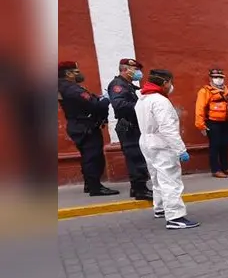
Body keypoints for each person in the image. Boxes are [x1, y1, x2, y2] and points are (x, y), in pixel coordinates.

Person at [136, 69, 199, 229]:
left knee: (156, 176)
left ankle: (161, 208)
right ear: (165, 82)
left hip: (146, 140)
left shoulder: (142, 99)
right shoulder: (160, 101)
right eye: (171, 82)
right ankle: (175, 217)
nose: (172, 86)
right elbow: (167, 128)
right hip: (161, 144)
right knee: (170, 180)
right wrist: (181, 150)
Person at [58, 61, 119, 196]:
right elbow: (94, 105)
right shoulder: (72, 89)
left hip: (79, 126)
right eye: (76, 71)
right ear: (68, 74)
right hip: (85, 127)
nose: (79, 73)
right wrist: (106, 99)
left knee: (87, 157)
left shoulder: (65, 87)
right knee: (93, 157)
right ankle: (95, 188)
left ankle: (89, 184)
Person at [107, 58, 153, 201]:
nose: (139, 73)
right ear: (125, 69)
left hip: (133, 126)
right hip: (128, 127)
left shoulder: (129, 85)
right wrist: (141, 105)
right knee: (135, 157)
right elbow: (119, 105)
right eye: (135, 70)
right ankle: (140, 190)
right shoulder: (117, 85)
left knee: (138, 156)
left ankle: (137, 188)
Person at [195, 67, 228, 178]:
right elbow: (200, 108)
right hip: (213, 123)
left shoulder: (227, 89)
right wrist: (201, 125)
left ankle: (226, 167)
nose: (218, 79)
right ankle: (216, 170)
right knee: (215, 146)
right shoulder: (204, 91)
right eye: (215, 77)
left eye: (220, 77)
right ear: (211, 78)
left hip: (226, 122)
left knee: (224, 145)